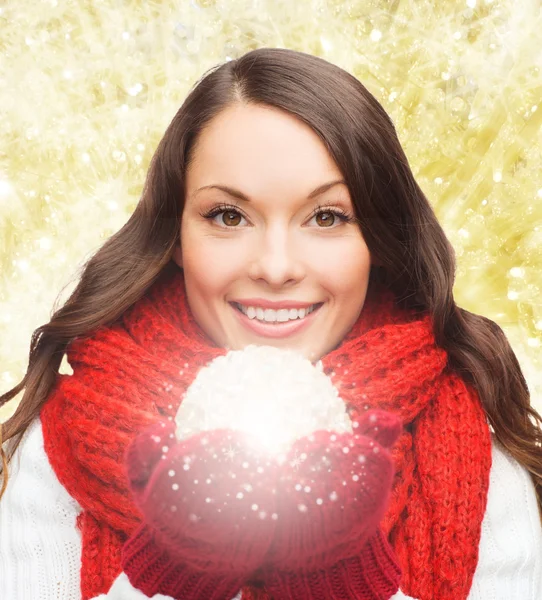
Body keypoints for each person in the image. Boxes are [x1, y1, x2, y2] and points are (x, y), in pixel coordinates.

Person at [0, 47, 541, 600]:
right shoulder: (52, 452)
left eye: (326, 217)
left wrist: (335, 573)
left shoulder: (485, 463)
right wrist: (180, 567)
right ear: (177, 237)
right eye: (229, 216)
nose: (276, 267)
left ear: (377, 242)